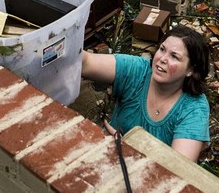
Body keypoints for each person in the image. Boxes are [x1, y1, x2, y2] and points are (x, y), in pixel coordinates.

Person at [81, 25, 210, 161]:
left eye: (174, 56)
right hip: (106, 155)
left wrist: (127, 147)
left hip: (148, 172)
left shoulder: (194, 109)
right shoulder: (138, 71)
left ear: (191, 70)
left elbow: (178, 167)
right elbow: (86, 63)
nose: (162, 58)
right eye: (162, 49)